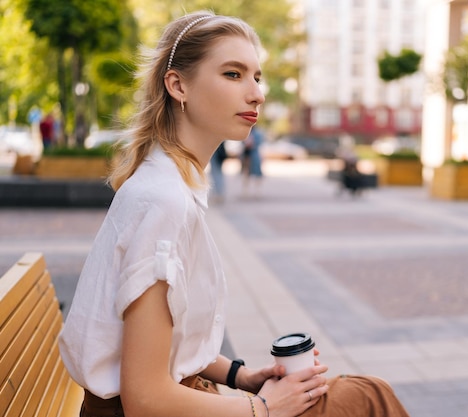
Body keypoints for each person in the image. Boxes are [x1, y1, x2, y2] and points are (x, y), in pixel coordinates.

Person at [58, 11, 409, 417]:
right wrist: (264, 407)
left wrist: (243, 376)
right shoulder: (163, 201)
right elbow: (145, 399)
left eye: (257, 77)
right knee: (368, 397)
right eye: (233, 74)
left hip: (181, 397)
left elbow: (163, 344)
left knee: (360, 394)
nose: (257, 93)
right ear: (178, 85)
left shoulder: (171, 186)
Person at [240, 125, 264, 197]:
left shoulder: (256, 134)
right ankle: (246, 191)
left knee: (256, 173)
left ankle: (257, 191)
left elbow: (257, 144)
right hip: (247, 155)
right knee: (246, 173)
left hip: (253, 155)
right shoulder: (246, 133)